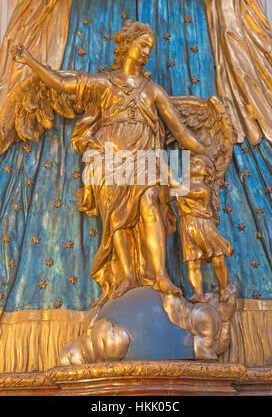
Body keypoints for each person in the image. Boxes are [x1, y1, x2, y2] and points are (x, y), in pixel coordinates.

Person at [11, 20, 208, 305]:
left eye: (149, 49)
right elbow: (64, 84)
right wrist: (30, 61)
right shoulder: (105, 83)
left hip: (145, 158)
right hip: (109, 158)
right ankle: (126, 274)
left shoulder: (153, 91)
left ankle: (161, 274)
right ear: (127, 45)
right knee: (116, 219)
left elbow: (180, 132)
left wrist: (204, 153)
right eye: (142, 46)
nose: (146, 53)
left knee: (150, 202)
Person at [177, 154, 233, 303]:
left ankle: (223, 290)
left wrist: (165, 174)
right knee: (192, 261)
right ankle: (197, 293)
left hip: (204, 227)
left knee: (218, 258)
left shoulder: (203, 189)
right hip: (187, 227)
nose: (192, 164)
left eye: (197, 163)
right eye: (190, 162)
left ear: (206, 171)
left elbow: (184, 192)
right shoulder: (182, 186)